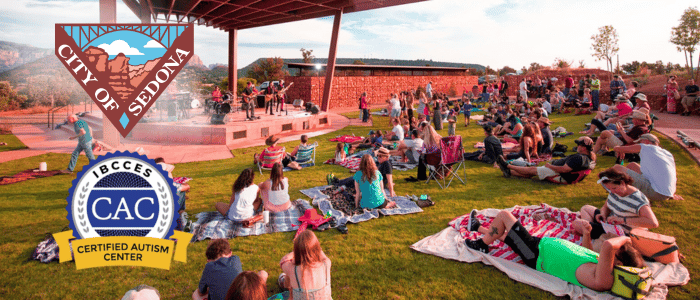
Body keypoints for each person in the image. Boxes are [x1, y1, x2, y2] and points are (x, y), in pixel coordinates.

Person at [463, 209, 645, 291]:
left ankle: (482, 245)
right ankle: (478, 227)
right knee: (509, 236)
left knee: (504, 216)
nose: (612, 250)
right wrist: (587, 235)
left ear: (619, 263)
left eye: (616, 253)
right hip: (539, 247)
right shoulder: (601, 267)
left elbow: (607, 246)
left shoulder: (603, 280)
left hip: (536, 255)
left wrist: (626, 238)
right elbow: (586, 252)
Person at [576, 168, 659, 239]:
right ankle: (589, 231)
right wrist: (603, 215)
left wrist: (623, 220)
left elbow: (653, 223)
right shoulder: (615, 191)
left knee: (577, 224)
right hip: (610, 223)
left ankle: (589, 232)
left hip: (622, 232)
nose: (612, 191)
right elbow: (606, 206)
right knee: (585, 208)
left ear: (622, 183)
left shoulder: (638, 200)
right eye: (609, 189)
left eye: (614, 188)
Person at [611, 133, 683, 201]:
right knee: (632, 165)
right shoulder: (667, 153)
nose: (638, 144)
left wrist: (618, 149)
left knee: (617, 168)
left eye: (640, 142)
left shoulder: (645, 147)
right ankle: (626, 190)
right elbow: (672, 174)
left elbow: (617, 148)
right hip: (667, 194)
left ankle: (617, 191)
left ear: (646, 141)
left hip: (655, 192)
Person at [497, 137, 595, 183]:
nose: (577, 146)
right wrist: (588, 139)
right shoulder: (589, 158)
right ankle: (509, 172)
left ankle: (506, 165)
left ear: (584, 148)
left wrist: (550, 166)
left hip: (559, 174)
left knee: (533, 170)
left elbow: (565, 169)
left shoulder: (579, 158)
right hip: (564, 175)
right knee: (531, 172)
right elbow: (593, 154)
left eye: (579, 145)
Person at [277, 230, 332, 300]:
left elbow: (283, 261)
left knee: (290, 273)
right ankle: (284, 282)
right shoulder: (326, 263)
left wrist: (296, 252)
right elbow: (321, 254)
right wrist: (310, 248)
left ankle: (284, 283)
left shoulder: (293, 270)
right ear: (317, 247)